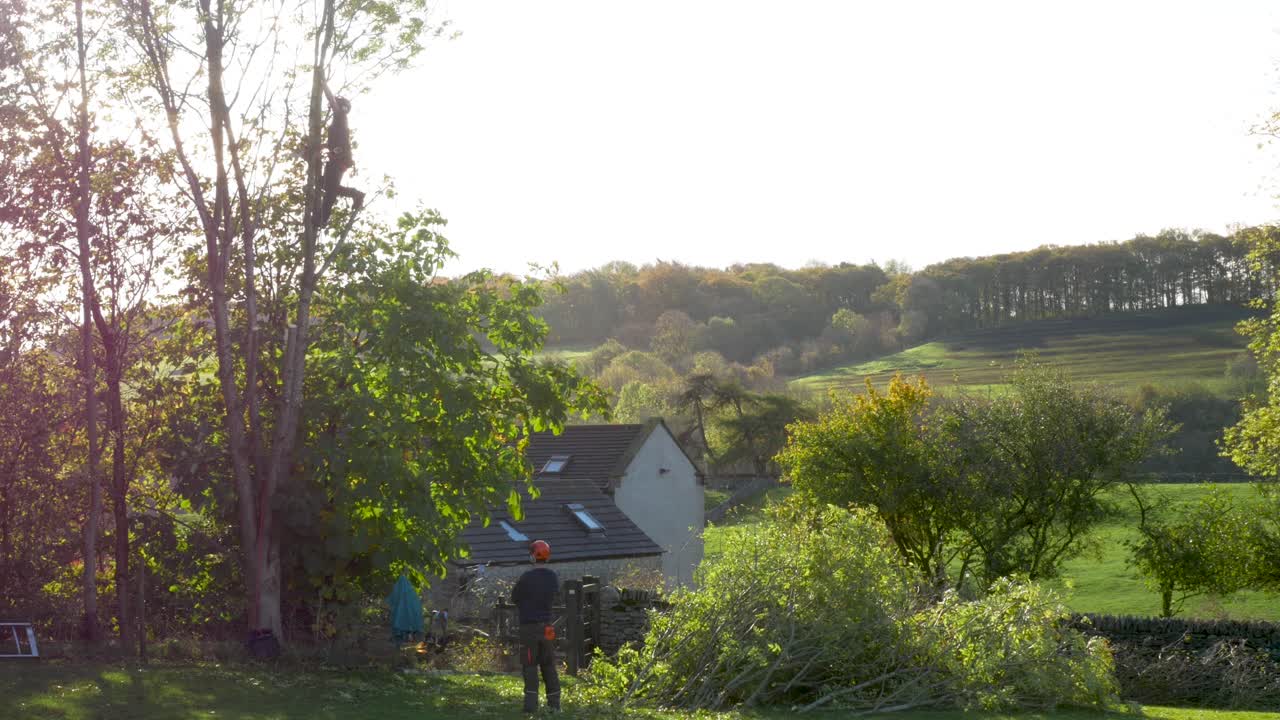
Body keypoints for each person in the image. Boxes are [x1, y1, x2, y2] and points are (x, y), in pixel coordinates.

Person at [511, 539, 560, 713]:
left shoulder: (526, 578)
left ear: (532, 556)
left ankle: (531, 707)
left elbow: (515, 598)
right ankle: (554, 705)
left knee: (530, 665)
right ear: (548, 557)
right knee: (549, 665)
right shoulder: (553, 577)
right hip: (547, 628)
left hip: (529, 628)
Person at [319, 81, 365, 228]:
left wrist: (323, 84)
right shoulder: (339, 121)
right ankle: (321, 218)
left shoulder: (340, 116)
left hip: (339, 159)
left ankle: (322, 219)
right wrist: (319, 147)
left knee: (330, 191)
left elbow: (331, 99)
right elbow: (335, 142)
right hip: (337, 158)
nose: (333, 106)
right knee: (324, 184)